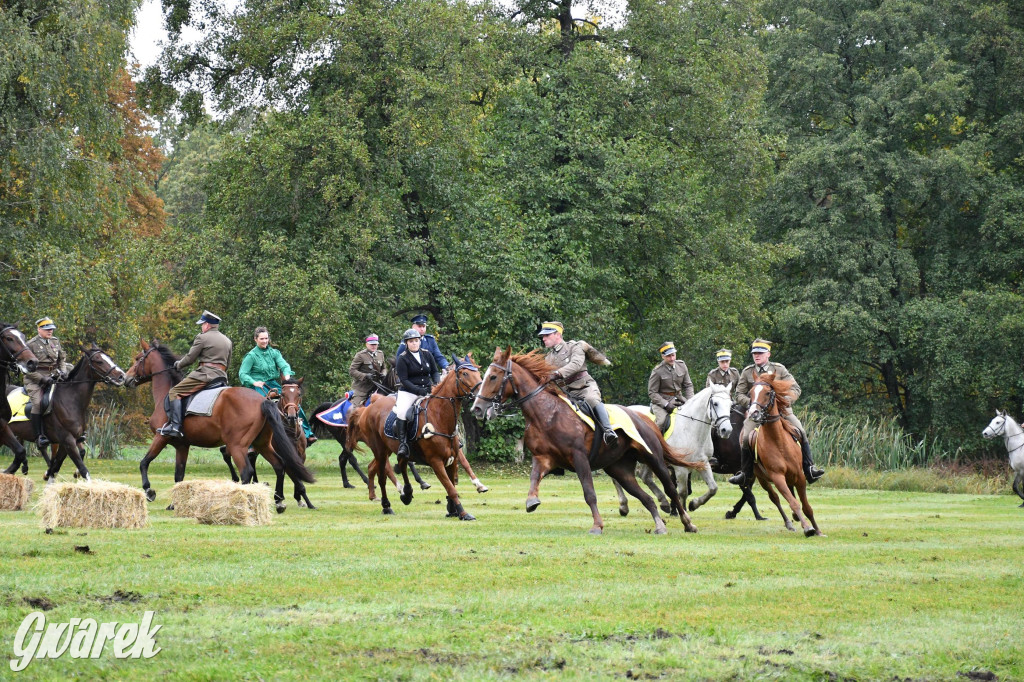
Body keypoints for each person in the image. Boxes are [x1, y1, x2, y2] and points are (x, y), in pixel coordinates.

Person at [729, 339, 825, 486]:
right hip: (756, 414)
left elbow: (796, 389)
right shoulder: (748, 371)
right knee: (745, 437)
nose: (757, 356)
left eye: (760, 353)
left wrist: (785, 401)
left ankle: (809, 468)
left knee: (800, 430)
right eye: (755, 353)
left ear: (768, 354)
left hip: (781, 412)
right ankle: (745, 473)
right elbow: (739, 394)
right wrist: (753, 403)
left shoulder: (779, 369)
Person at [539, 320, 617, 445]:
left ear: (557, 334)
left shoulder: (575, 346)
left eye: (547, 335)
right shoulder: (548, 358)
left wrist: (556, 374)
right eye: (543, 336)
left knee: (592, 399)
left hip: (584, 387)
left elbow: (575, 364)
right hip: (566, 393)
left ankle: (608, 431)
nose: (543, 338)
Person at [157, 310, 233, 438]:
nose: (202, 327)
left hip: (205, 375)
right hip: (221, 377)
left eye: (202, 324)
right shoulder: (227, 341)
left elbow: (190, 358)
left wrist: (178, 364)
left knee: (174, 392)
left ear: (207, 325)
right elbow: (228, 363)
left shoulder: (202, 337)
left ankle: (175, 426)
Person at [238, 326, 316, 444]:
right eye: (261, 339)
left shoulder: (274, 353)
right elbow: (243, 374)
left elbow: (284, 365)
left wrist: (287, 376)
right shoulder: (251, 356)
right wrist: (254, 382)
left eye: (266, 338)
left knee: (293, 402)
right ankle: (251, 443)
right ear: (255, 339)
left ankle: (307, 433)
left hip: (273, 384)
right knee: (260, 408)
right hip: (257, 386)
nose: (264, 341)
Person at [23, 317, 73, 450]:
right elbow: (26, 369)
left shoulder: (55, 341)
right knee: (38, 403)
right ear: (39, 329)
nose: (50, 331)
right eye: (46, 329)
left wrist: (62, 371)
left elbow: (62, 359)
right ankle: (39, 436)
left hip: (54, 376)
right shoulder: (30, 344)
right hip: (35, 379)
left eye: (51, 329)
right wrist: (42, 379)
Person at [393, 328, 440, 459]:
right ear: (406, 343)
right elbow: (404, 380)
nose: (414, 343)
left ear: (420, 341)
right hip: (408, 392)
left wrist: (436, 383)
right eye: (411, 341)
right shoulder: (402, 358)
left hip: (427, 390)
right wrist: (417, 390)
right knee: (402, 412)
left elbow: (435, 372)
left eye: (416, 341)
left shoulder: (427, 354)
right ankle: (403, 444)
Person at [647, 342, 694, 432]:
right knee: (661, 422)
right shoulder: (657, 371)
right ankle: (655, 444)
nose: (672, 358)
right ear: (663, 356)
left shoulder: (682, 365)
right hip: (661, 403)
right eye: (668, 356)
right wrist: (666, 404)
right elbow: (652, 392)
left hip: (679, 399)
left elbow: (688, 385)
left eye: (673, 355)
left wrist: (690, 401)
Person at [349, 334, 387, 408]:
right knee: (355, 409)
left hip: (377, 386)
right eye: (371, 344)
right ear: (367, 344)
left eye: (375, 344)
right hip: (362, 388)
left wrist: (383, 374)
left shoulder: (380, 354)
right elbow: (352, 371)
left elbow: (384, 368)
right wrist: (365, 376)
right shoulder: (360, 355)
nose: (373, 346)